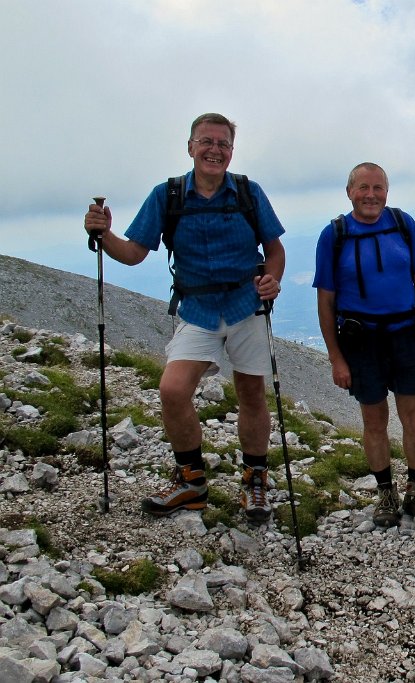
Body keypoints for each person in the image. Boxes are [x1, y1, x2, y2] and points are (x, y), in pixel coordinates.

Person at [83, 112, 286, 525]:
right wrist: (103, 235)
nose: (215, 150)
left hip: (247, 305)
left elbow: (274, 249)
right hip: (196, 309)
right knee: (173, 390)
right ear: (190, 147)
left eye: (223, 144)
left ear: (231, 151)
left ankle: (255, 481)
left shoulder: (248, 192)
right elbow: (134, 253)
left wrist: (273, 279)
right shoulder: (168, 196)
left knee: (251, 394)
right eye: (206, 142)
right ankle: (191, 481)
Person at [313, 162, 415, 527]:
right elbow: (325, 300)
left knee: (413, 415)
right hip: (360, 338)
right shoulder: (334, 234)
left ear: (387, 191)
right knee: (374, 419)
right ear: (349, 191)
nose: (371, 195)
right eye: (363, 188)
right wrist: (335, 358)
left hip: (406, 332)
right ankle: (386, 492)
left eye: (378, 188)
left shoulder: (403, 224)